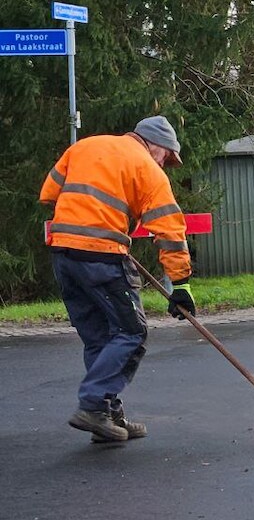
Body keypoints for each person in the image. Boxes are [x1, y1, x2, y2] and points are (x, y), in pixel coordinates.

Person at [39, 116, 196, 443]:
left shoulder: (85, 147)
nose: (164, 164)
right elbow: (170, 230)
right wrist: (180, 284)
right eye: (167, 157)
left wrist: (93, 220)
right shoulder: (147, 168)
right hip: (102, 258)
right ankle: (93, 405)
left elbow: (49, 192)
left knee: (99, 338)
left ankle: (106, 417)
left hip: (64, 255)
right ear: (156, 146)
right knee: (131, 332)